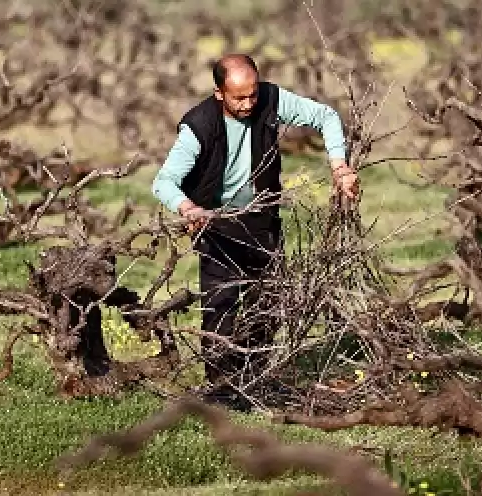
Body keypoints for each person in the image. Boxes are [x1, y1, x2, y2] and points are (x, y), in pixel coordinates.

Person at [152, 53, 359, 411]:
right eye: (238, 98)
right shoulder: (197, 127)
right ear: (219, 93)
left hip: (262, 220)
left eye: (252, 95)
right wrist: (189, 209)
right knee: (221, 307)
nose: (249, 104)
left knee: (271, 303)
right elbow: (164, 182)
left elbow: (326, 116)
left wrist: (339, 165)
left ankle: (255, 380)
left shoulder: (270, 99)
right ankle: (220, 391)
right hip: (215, 226)